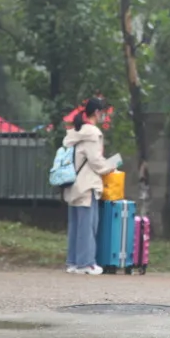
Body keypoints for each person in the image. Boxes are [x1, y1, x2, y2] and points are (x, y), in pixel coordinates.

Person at [63, 98, 118, 276]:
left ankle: (73, 262)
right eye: (103, 113)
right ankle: (86, 263)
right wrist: (114, 163)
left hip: (72, 184)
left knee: (75, 226)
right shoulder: (93, 133)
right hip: (87, 185)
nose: (104, 116)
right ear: (97, 112)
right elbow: (97, 162)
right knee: (88, 226)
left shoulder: (75, 133)